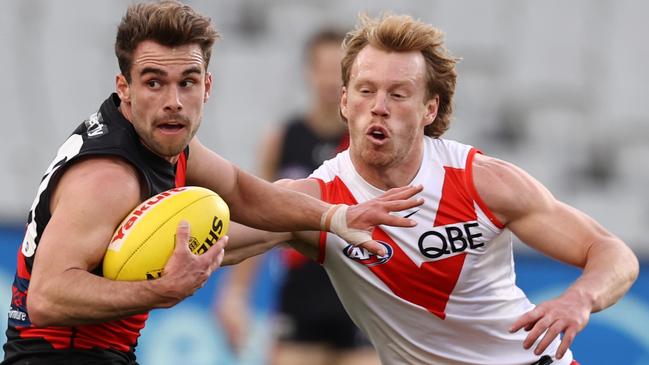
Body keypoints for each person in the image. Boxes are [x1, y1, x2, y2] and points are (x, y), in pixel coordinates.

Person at [1, 3, 424, 364]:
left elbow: (243, 194)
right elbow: (47, 298)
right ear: (123, 89)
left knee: (292, 207)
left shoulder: (170, 139)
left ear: (207, 86)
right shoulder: (107, 177)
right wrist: (161, 289)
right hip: (57, 357)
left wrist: (335, 216)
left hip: (107, 352)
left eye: (186, 81)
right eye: (153, 82)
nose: (173, 100)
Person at [222, 13, 640, 365]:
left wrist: (579, 300)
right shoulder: (316, 199)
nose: (379, 105)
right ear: (345, 101)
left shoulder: (482, 181)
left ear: (430, 108)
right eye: (366, 91)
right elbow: (219, 243)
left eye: (398, 94)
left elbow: (612, 253)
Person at [216, 29, 380, 365]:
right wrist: (235, 293)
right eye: (323, 68)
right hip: (300, 300)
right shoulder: (282, 139)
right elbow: (256, 213)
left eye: (339, 69)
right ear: (308, 71)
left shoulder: (371, 142)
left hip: (360, 298)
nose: (330, 79)